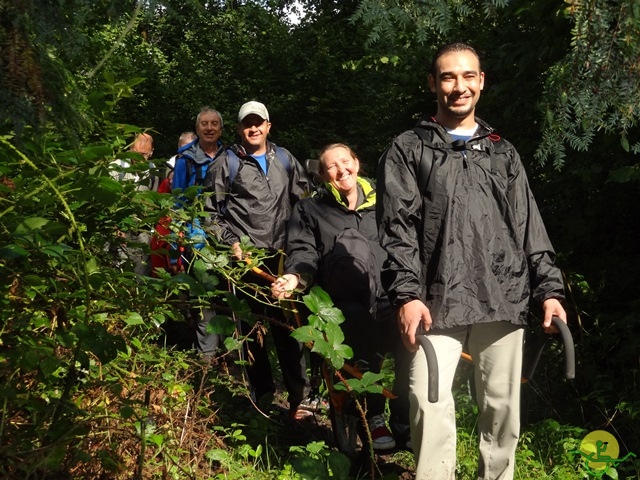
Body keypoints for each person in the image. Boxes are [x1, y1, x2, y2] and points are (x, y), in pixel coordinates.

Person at [376, 42, 567, 479]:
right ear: (432, 84)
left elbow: (529, 226)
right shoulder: (408, 148)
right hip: (434, 300)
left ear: (481, 81)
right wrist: (407, 293)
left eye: (467, 76)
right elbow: (397, 227)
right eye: (447, 77)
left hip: (502, 295)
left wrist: (550, 290)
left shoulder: (503, 152)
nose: (458, 87)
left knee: (502, 412)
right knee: (429, 400)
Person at [271, 143, 397, 451]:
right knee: (354, 321)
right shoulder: (310, 209)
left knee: (409, 333)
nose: (341, 170)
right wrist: (295, 276)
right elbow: (303, 251)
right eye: (332, 166)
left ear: (357, 163)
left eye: (345, 162)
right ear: (323, 175)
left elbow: (404, 245)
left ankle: (407, 421)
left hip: (386, 297)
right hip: (342, 303)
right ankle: (372, 416)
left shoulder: (386, 204)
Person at [203, 101, 312, 419]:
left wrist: (303, 243)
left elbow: (303, 202)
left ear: (268, 126)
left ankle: (299, 399)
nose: (253, 128)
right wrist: (232, 243)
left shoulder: (285, 159)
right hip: (246, 261)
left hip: (282, 259)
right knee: (251, 332)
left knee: (289, 327)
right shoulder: (226, 163)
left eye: (258, 122)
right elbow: (210, 212)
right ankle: (262, 397)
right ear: (239, 129)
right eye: (246, 123)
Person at [109, 132, 158, 276]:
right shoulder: (116, 168)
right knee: (120, 273)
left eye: (143, 155)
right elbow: (108, 201)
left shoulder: (152, 169)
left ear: (151, 152)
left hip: (142, 231)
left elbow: (154, 199)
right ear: (130, 148)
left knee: (141, 273)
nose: (138, 158)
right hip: (119, 230)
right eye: (136, 153)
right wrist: (115, 228)